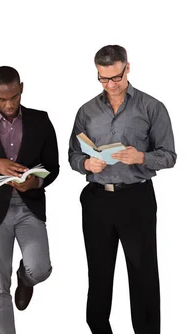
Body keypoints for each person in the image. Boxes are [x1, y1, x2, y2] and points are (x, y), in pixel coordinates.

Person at [68, 45, 176, 334]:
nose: (110, 85)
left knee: (143, 274)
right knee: (99, 272)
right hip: (97, 200)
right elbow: (72, 156)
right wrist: (86, 164)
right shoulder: (87, 111)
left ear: (127, 68)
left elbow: (169, 156)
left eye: (115, 77)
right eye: (103, 79)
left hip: (136, 199)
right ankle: (99, 329)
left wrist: (141, 157)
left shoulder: (152, 107)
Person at [0, 66, 59, 334]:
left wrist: (36, 181)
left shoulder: (41, 120)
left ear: (21, 88)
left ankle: (25, 278)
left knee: (40, 269)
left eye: (14, 97)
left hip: (29, 207)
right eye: (1, 99)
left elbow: (53, 165)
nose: (8, 104)